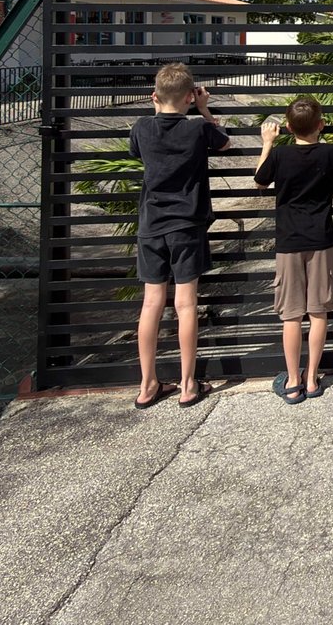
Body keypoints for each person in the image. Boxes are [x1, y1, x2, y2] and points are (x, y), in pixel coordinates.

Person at [254, 97, 333, 404]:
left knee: (291, 316)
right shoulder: (330, 153)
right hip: (321, 241)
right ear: (321, 125)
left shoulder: (280, 155)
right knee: (318, 312)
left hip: (289, 243)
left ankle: (293, 382)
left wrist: (267, 143)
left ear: (288, 127)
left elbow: (260, 181)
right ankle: (312, 379)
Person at [128, 62, 229, 409]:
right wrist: (204, 109)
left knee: (150, 303)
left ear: (154, 96)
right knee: (185, 304)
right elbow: (224, 143)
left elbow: (136, 152)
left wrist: (161, 108)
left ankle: (147, 385)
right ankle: (188, 384)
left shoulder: (142, 127)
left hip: (151, 226)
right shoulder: (198, 128)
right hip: (187, 225)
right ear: (190, 96)